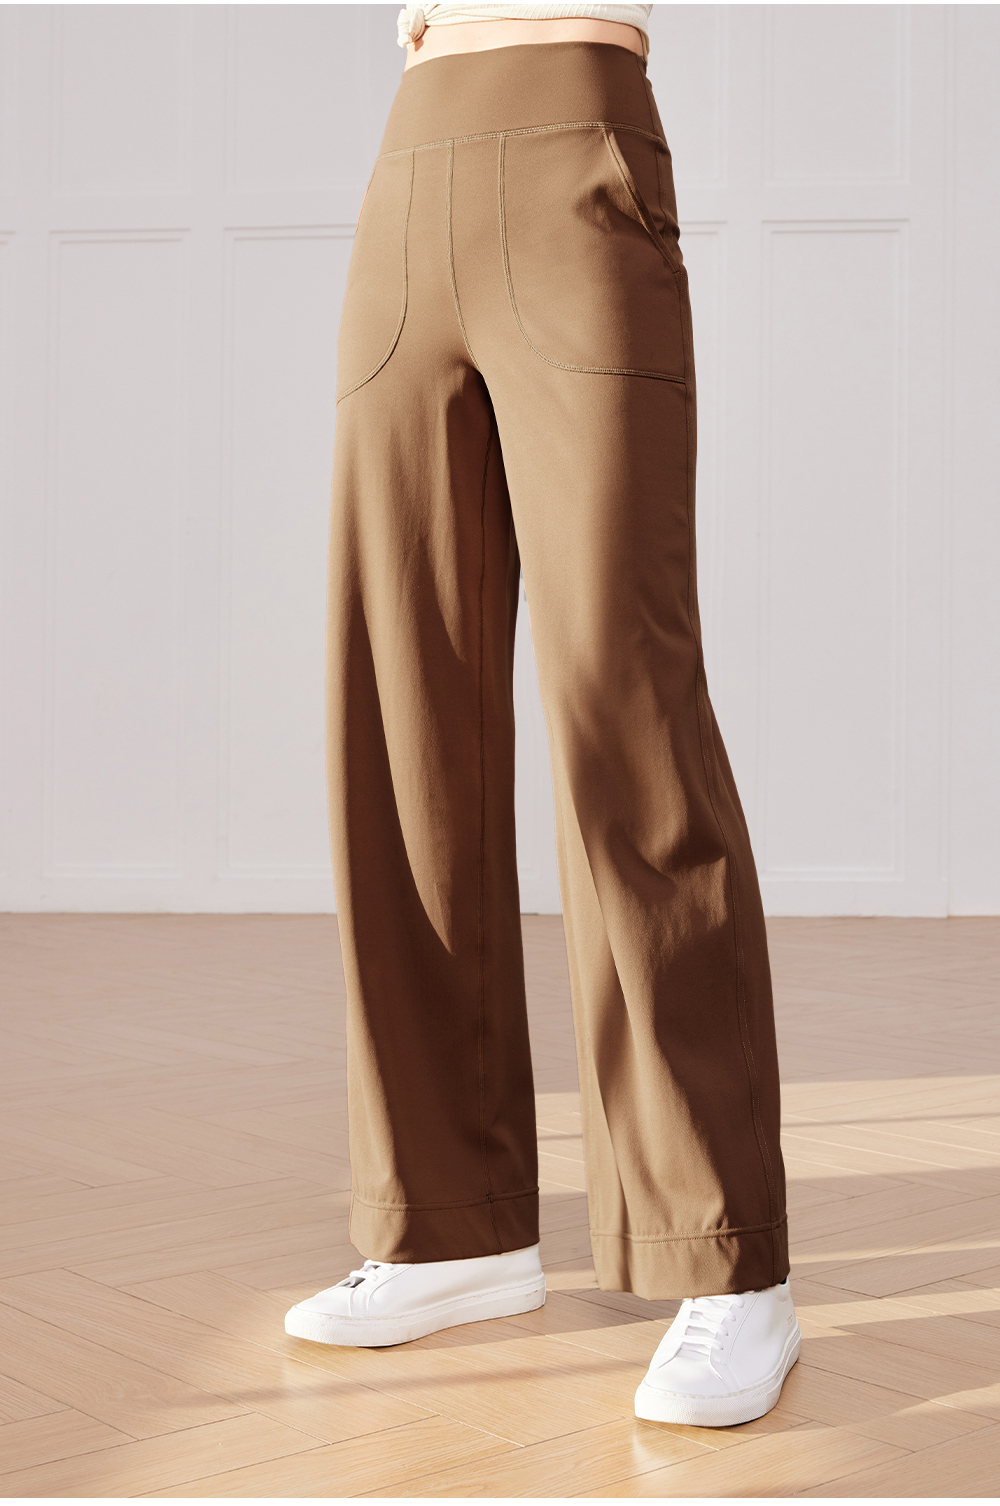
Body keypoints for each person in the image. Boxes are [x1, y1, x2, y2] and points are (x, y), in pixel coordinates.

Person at [284, 1, 800, 1428]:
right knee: (400, 711)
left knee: (622, 703)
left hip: (579, 137)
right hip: (408, 165)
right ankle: (449, 1222)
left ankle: (727, 1259)